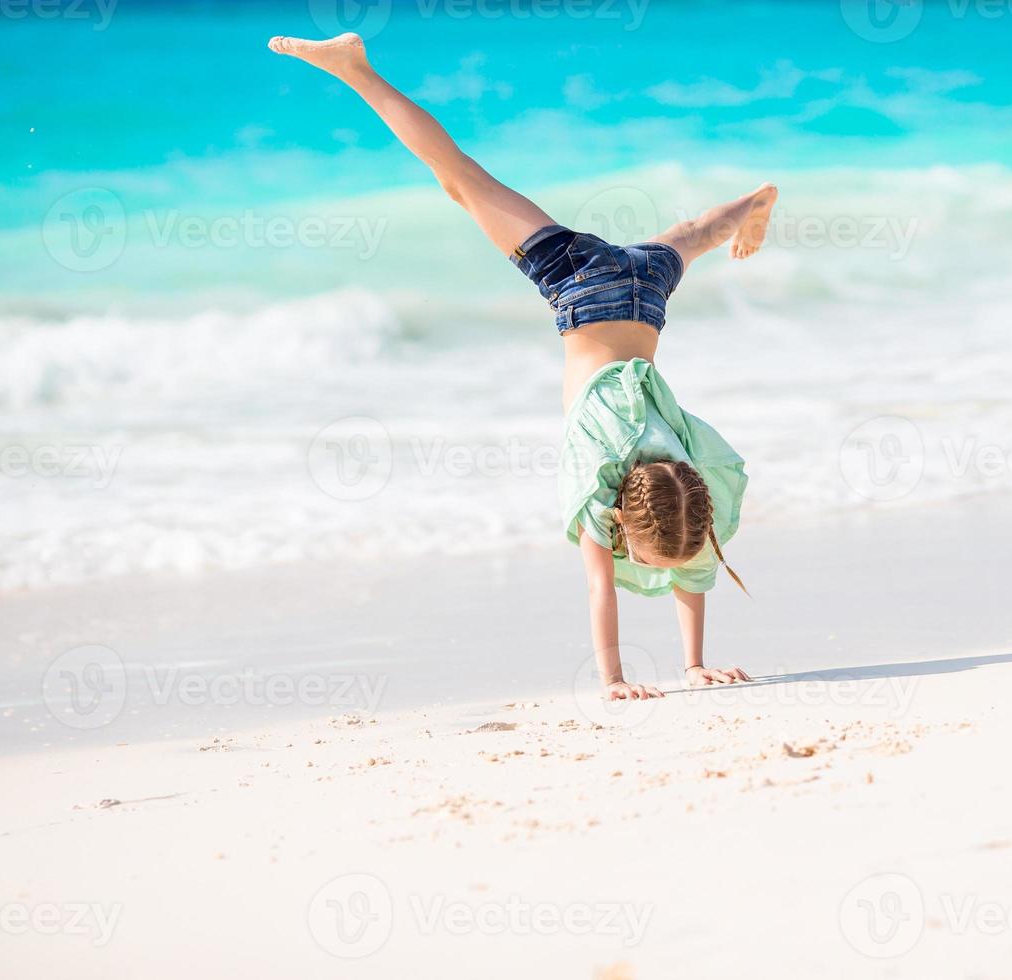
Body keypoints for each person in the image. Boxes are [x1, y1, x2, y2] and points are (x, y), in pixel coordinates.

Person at [270, 33, 778, 701]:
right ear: (623, 522)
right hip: (582, 286)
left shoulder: (687, 478)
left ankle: (745, 208)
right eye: (645, 559)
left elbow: (693, 564)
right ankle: (355, 69)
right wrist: (615, 680)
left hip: (643, 293)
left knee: (686, 239)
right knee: (460, 177)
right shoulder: (601, 485)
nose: (651, 574)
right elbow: (602, 587)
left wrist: (693, 667)